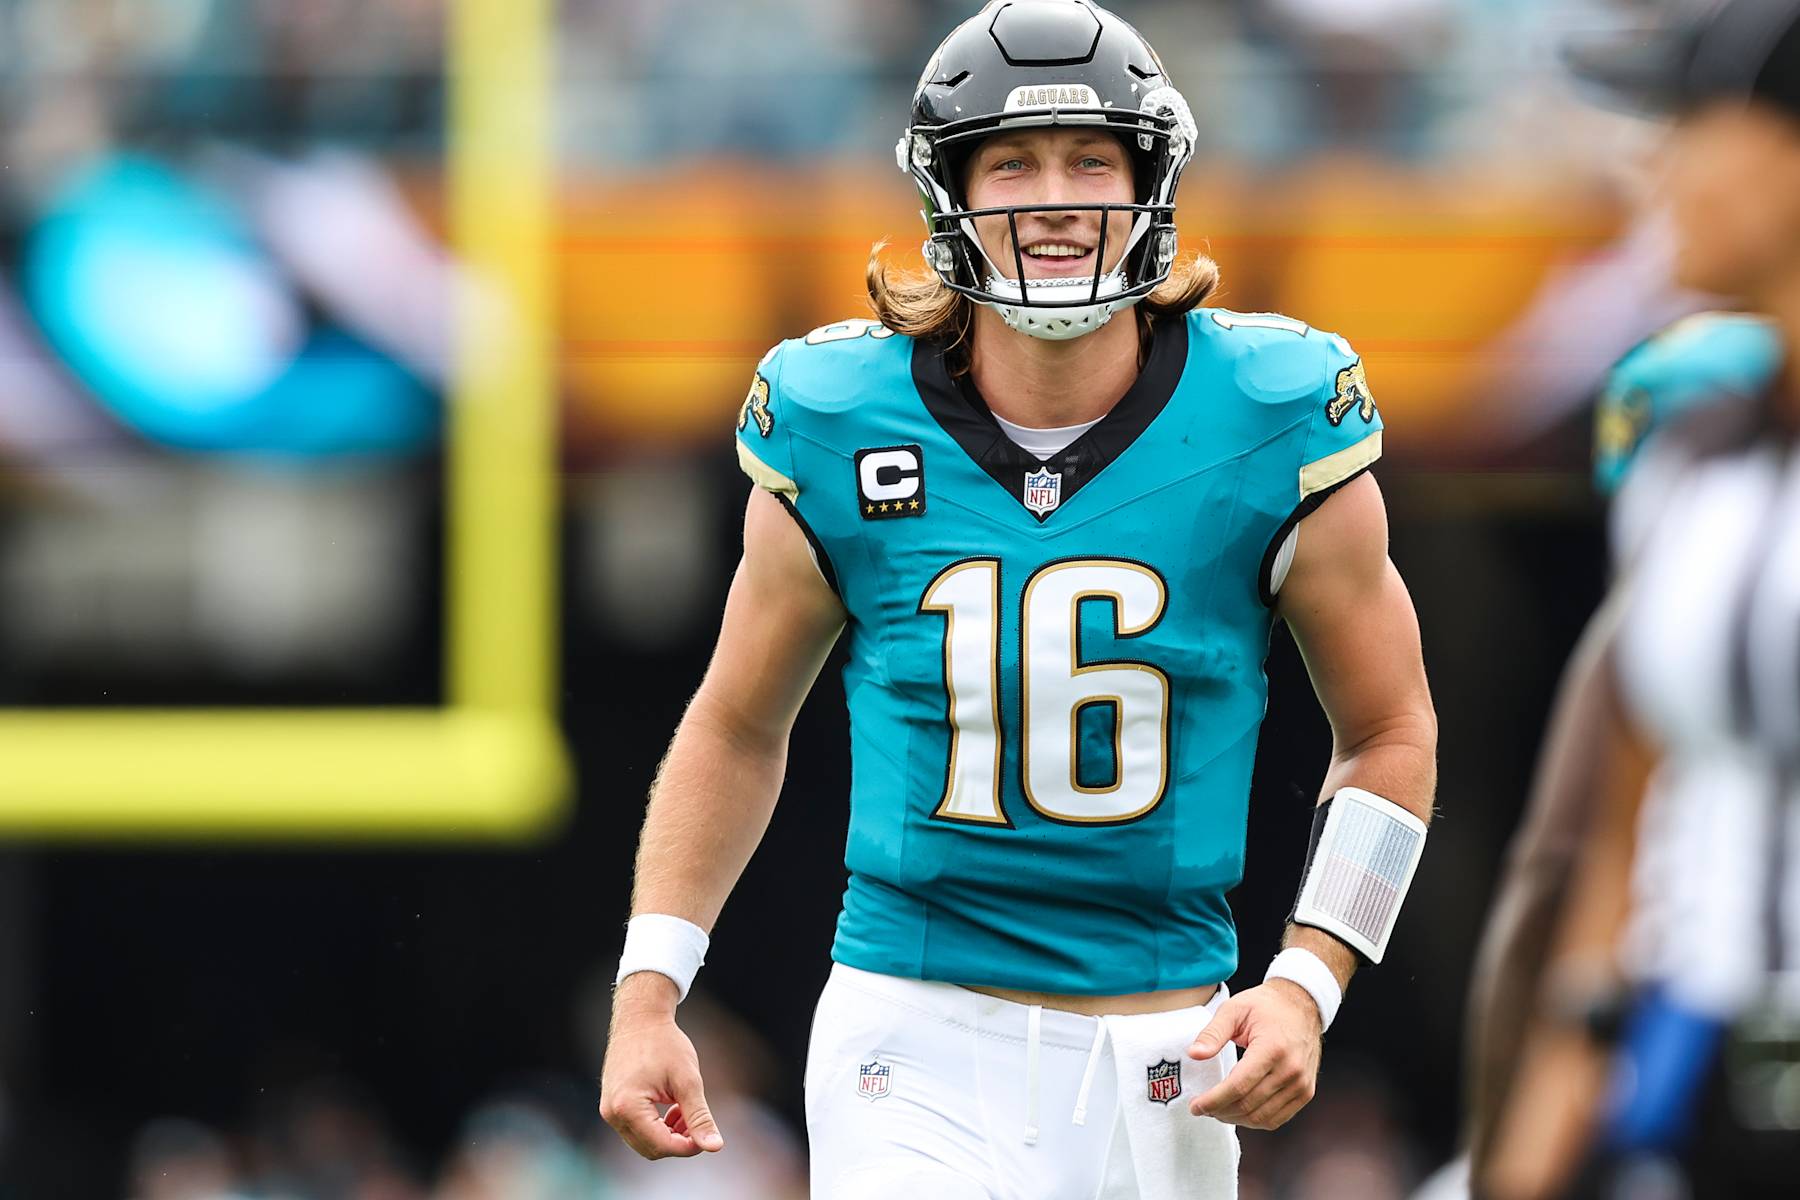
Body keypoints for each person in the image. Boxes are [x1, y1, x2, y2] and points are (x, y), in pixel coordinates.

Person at [599, 3, 1437, 1197]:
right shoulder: (842, 417)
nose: (1055, 195)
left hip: (1166, 1048)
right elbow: (738, 723)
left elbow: (1391, 733)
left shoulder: (1270, 410)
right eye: (1014, 163)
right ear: (951, 193)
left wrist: (1309, 980)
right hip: (913, 1029)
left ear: (1151, 182)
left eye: (1092, 158)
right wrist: (649, 991)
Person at [1479, 2, 1800, 1196]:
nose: (1655, 160)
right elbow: (1620, 841)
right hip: (1695, 1080)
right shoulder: (1687, 457)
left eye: (1690, 121)